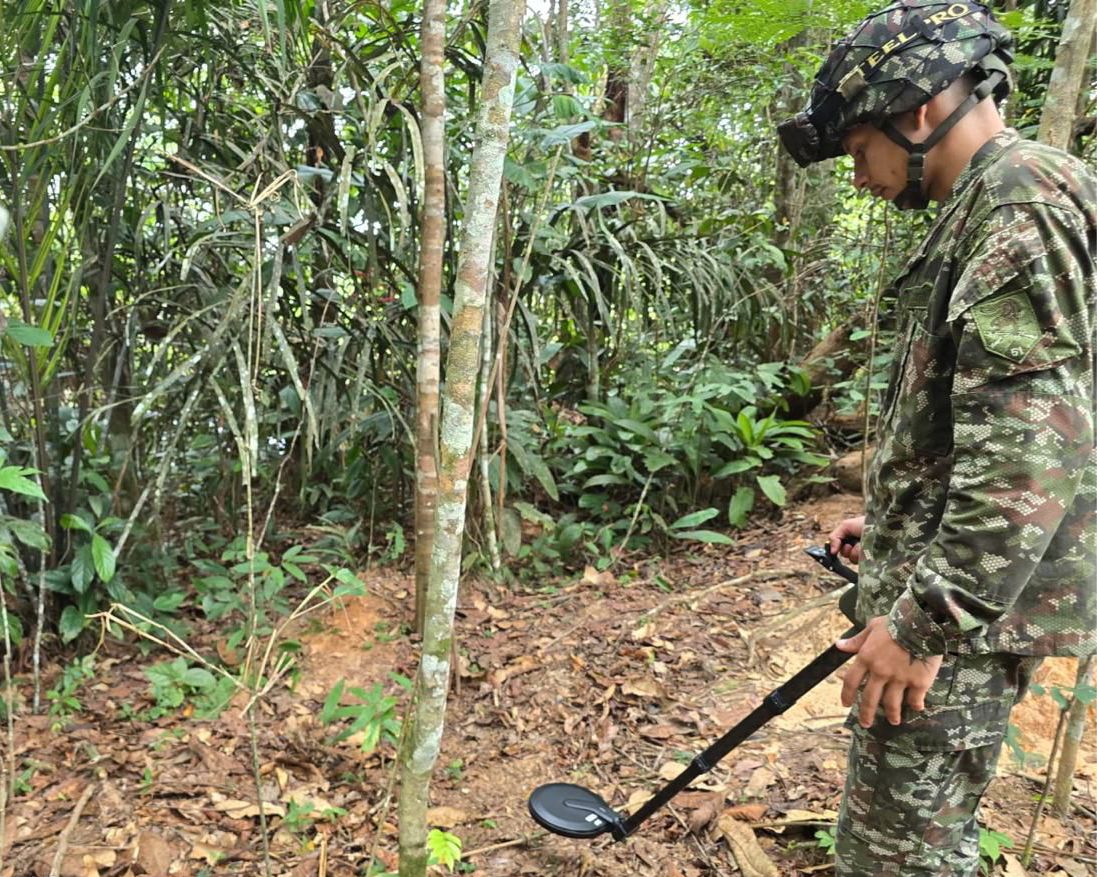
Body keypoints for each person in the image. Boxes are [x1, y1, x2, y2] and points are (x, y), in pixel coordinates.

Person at [777, 2, 1096, 874]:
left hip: (955, 626)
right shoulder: (1001, 200)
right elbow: (972, 424)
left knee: (896, 857)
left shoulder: (1017, 212)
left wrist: (923, 622)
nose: (857, 177)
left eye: (856, 150)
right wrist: (884, 524)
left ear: (916, 111)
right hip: (954, 597)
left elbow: (1030, 458)